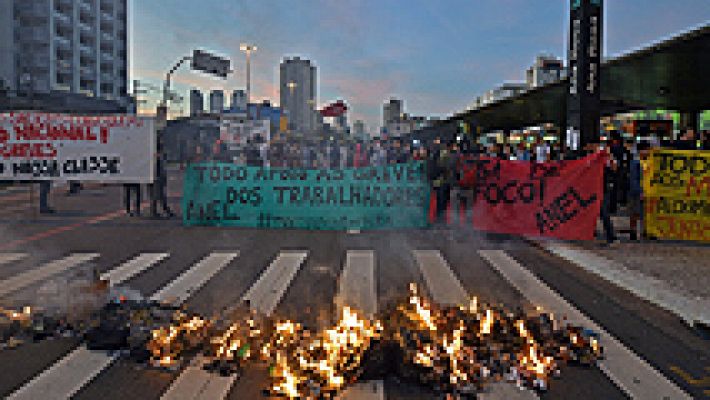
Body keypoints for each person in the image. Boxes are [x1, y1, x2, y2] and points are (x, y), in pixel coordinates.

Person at [628, 141, 650, 241]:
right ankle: (633, 231)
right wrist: (639, 191)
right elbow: (633, 179)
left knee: (644, 212)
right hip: (636, 192)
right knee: (635, 212)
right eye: (645, 150)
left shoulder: (648, 162)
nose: (647, 152)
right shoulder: (636, 162)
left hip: (645, 190)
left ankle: (644, 231)